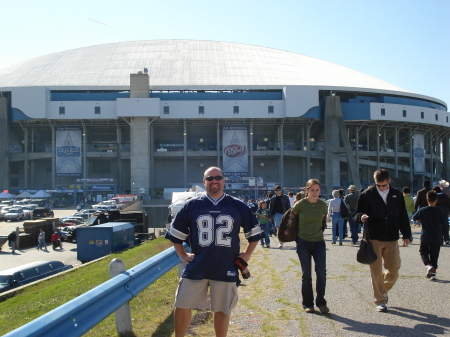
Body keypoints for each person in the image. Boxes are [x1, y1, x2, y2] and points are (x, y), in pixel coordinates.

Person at [165, 166, 261, 337]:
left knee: (223, 309)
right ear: (204, 182)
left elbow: (253, 233)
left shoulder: (237, 205)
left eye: (218, 177)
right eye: (210, 178)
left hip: (226, 265)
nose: (214, 181)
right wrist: (181, 254)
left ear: (224, 180)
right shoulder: (192, 205)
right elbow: (175, 234)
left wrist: (247, 254)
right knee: (182, 304)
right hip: (197, 265)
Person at [353, 169, 411, 312]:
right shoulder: (367, 194)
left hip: (392, 237)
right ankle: (380, 300)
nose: (381, 188)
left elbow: (403, 215)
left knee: (394, 269)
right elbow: (356, 213)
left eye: (383, 185)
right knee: (376, 271)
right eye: (378, 185)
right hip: (374, 237)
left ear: (389, 181)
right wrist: (361, 217)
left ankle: (382, 290)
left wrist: (407, 235)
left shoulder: (397, 194)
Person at [292, 179, 328, 313]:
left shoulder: (323, 205)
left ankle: (321, 301)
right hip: (303, 243)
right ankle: (308, 304)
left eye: (317, 190)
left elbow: (322, 223)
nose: (315, 193)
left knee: (321, 273)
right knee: (306, 274)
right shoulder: (300, 204)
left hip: (319, 243)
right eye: (312, 190)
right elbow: (292, 220)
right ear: (306, 190)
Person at [413, 190, 446, 281]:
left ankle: (428, 265)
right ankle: (433, 274)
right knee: (434, 255)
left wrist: (422, 221)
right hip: (437, 235)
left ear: (427, 200)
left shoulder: (423, 210)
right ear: (437, 200)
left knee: (423, 251)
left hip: (426, 235)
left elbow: (414, 217)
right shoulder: (440, 210)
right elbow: (444, 222)